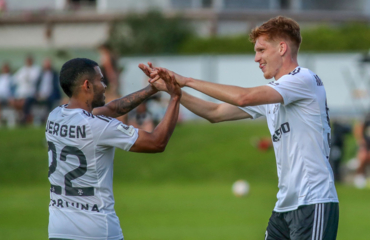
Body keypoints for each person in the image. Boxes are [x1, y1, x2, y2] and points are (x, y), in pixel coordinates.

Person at [147, 16, 339, 240]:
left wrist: (187, 80)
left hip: (313, 203)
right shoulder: (276, 92)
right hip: (285, 207)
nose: (256, 58)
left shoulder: (303, 79)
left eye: (261, 50)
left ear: (282, 48)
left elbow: (244, 97)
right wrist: (174, 91)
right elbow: (215, 113)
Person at [47, 58, 181, 240]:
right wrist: (175, 97)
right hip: (98, 230)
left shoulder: (55, 116)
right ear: (87, 85)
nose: (104, 86)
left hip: (59, 230)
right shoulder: (98, 126)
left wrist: (152, 89)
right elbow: (157, 142)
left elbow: (114, 108)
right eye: (101, 80)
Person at [22, 58, 61, 124]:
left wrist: (47, 95)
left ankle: (48, 118)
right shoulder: (41, 74)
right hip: (40, 95)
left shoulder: (54, 74)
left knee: (51, 101)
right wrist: (37, 94)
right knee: (28, 100)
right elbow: (37, 85)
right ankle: (27, 117)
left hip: (50, 95)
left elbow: (55, 87)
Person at [353, 112, 370, 188]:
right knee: (363, 158)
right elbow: (358, 128)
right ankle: (359, 178)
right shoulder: (367, 118)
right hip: (366, 144)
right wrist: (361, 141)